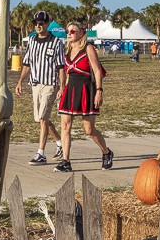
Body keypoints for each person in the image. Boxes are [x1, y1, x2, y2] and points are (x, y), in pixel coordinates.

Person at [54, 21, 114, 173]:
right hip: (70, 90)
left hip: (87, 89)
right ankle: (66, 161)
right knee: (65, 126)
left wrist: (99, 90)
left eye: (73, 31)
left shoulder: (88, 48)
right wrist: (62, 89)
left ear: (81, 32)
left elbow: (97, 70)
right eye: (68, 31)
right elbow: (66, 73)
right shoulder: (66, 51)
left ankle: (106, 152)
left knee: (89, 130)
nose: (69, 33)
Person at [15, 10, 65, 166]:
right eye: (36, 23)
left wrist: (62, 86)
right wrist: (20, 82)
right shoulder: (32, 41)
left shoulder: (56, 42)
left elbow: (61, 67)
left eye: (41, 23)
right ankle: (60, 142)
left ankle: (41, 153)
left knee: (43, 118)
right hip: (35, 84)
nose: (38, 26)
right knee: (41, 119)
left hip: (50, 84)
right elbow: (27, 64)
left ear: (47, 24)